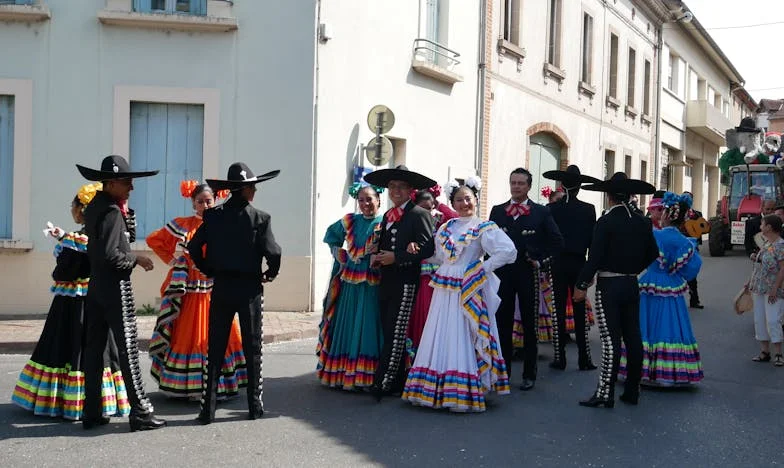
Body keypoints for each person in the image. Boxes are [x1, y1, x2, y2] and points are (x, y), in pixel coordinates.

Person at [12, 183, 131, 421]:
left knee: (68, 347)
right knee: (99, 350)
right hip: (95, 297)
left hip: (71, 306)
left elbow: (64, 272)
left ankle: (67, 401)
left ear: (81, 209)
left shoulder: (77, 240)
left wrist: (63, 252)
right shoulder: (101, 235)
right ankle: (98, 400)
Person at [402, 178, 516, 412]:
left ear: (476, 200)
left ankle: (463, 385)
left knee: (465, 332)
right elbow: (439, 257)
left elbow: (508, 251)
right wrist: (417, 251)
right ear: (452, 203)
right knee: (441, 331)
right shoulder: (446, 227)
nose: (464, 203)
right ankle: (438, 385)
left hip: (469, 287)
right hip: (445, 287)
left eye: (468, 199)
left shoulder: (484, 227)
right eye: (459, 200)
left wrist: (480, 269)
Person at [76, 155, 166, 431]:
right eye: (127, 182)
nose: (131, 187)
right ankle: (140, 413)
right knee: (128, 351)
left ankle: (91, 412)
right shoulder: (112, 212)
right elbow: (114, 256)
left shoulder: (94, 208)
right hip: (116, 288)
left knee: (93, 351)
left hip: (96, 288)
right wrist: (135, 260)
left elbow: (108, 248)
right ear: (112, 182)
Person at [189, 163, 282, 424]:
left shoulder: (213, 216)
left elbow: (195, 247)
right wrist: (270, 273)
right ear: (245, 190)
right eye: (253, 187)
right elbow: (273, 252)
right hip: (249, 287)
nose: (255, 191)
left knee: (215, 347)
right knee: (252, 347)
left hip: (222, 286)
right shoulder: (260, 218)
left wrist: (207, 269)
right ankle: (254, 406)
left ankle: (207, 410)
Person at [147, 181, 248, 399]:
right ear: (193, 202)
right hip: (189, 290)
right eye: (200, 201)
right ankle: (189, 385)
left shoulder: (223, 223)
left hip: (214, 288)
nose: (204, 204)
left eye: (208, 201)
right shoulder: (183, 225)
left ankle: (216, 383)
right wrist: (173, 260)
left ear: (216, 200)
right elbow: (154, 239)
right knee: (188, 333)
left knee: (219, 333)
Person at [573, 172, 659, 408]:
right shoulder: (642, 221)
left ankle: (604, 392)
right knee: (633, 337)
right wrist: (632, 268)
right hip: (631, 283)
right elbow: (652, 254)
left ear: (609, 196)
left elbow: (595, 257)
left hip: (609, 284)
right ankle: (632, 390)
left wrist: (581, 283)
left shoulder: (607, 221)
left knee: (610, 340)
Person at [363, 165, 436, 400]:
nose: (396, 190)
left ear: (410, 190)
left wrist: (397, 257)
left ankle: (382, 383)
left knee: (396, 332)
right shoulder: (387, 215)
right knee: (388, 329)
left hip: (406, 281)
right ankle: (395, 381)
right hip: (387, 280)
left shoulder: (419, 214)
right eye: (392, 186)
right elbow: (386, 241)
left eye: (401, 187)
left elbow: (428, 248)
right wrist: (376, 249)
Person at [490, 168, 563, 391]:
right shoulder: (498, 211)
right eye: (513, 182)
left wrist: (540, 261)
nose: (516, 186)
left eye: (521, 183)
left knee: (530, 325)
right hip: (503, 275)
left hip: (527, 274)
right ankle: (503, 372)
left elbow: (557, 242)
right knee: (502, 323)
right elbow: (488, 242)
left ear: (529, 186)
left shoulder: (541, 212)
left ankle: (529, 373)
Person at [620, 192, 704, 386]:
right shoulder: (684, 240)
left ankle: (645, 369)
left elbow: (639, 255)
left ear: (667, 214)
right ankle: (671, 371)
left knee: (647, 325)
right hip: (671, 284)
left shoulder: (656, 235)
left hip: (651, 282)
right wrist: (674, 270)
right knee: (672, 324)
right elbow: (693, 267)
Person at [316, 182, 384, 390]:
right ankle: (343, 373)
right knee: (347, 325)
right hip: (349, 283)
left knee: (367, 326)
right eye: (361, 200)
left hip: (372, 283)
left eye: (369, 199)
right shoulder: (350, 221)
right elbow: (331, 235)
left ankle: (366, 376)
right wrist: (340, 253)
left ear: (378, 200)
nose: (365, 204)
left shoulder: (385, 222)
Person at [542, 165, 601, 371]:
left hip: (557, 263)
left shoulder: (551, 209)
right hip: (578, 263)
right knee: (579, 309)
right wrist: (590, 270)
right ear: (579, 187)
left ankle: (560, 357)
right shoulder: (588, 209)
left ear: (561, 185)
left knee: (558, 311)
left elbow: (546, 239)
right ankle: (584, 358)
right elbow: (592, 243)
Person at [406, 185, 458, 362]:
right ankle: (419, 354)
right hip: (419, 278)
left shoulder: (441, 224)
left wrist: (440, 204)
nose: (428, 212)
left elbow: (455, 218)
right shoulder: (411, 223)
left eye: (431, 208)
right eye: (423, 208)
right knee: (421, 314)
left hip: (437, 277)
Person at [746, 214, 784, 367]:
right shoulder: (767, 244)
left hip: (773, 290)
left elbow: (783, 269)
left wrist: (775, 289)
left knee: (774, 319)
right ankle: (765, 351)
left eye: (762, 223)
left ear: (769, 227)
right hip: (759, 288)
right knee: (760, 319)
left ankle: (779, 353)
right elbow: (759, 268)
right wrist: (749, 282)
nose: (760, 226)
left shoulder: (780, 246)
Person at [680, 191, 706, 309]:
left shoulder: (696, 214)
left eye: (689, 198)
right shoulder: (676, 213)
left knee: (692, 275)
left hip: (692, 248)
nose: (686, 200)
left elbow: (702, 229)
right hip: (678, 247)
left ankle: (694, 300)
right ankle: (674, 299)